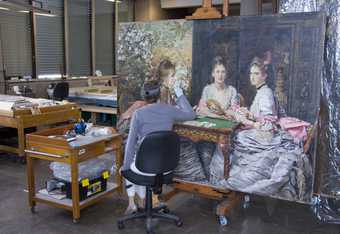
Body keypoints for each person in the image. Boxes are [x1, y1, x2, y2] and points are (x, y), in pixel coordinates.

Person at [221, 57, 312, 201]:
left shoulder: (266, 93)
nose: (253, 77)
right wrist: (249, 114)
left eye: (256, 74)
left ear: (265, 76)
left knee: (237, 137)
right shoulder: (262, 91)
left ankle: (235, 180)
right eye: (251, 74)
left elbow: (268, 123)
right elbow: (261, 115)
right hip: (264, 131)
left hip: (267, 136)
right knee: (237, 135)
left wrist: (248, 120)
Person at [121, 79, 196, 214]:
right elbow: (191, 114)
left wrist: (125, 168)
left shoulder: (138, 114)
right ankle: (143, 202)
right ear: (159, 94)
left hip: (144, 167)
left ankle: (133, 202)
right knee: (138, 164)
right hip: (166, 168)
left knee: (131, 165)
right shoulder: (169, 110)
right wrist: (179, 93)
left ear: (144, 95)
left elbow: (130, 144)